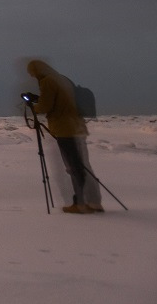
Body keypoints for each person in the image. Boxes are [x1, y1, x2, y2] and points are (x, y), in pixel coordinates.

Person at [26, 59, 103, 214]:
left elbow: (46, 106)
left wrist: (34, 106)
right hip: (78, 127)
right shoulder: (62, 79)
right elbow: (61, 101)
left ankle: (79, 203)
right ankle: (94, 202)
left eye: (32, 74)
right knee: (83, 165)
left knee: (73, 166)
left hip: (65, 129)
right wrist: (37, 99)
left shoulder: (48, 82)